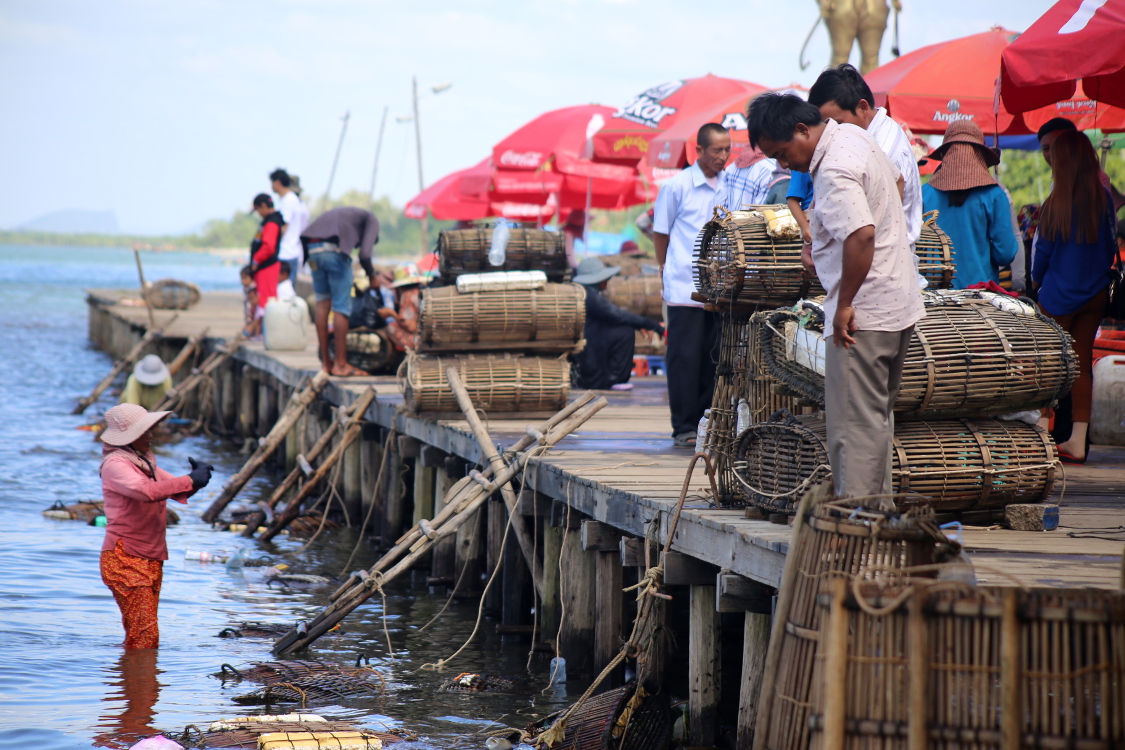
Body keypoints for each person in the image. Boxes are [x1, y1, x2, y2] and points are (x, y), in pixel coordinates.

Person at [749, 92, 924, 497]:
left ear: (801, 129)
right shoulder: (854, 136)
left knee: (853, 429)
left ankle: (858, 533)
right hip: (895, 302)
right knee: (874, 420)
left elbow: (861, 234)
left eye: (782, 152)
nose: (784, 164)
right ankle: (876, 521)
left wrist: (843, 302)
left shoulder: (833, 168)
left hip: (864, 313)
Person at [1032, 130, 1118, 464]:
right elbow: (1111, 247)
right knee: (1082, 365)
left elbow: (1042, 256)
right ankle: (1077, 441)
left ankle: (1040, 435)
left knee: (1048, 363)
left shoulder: (1057, 200)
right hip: (1095, 293)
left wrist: (1038, 284)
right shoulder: (1103, 197)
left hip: (1057, 297)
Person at [99, 403, 212, 648]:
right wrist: (190, 479)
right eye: (144, 431)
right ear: (127, 438)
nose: (151, 436)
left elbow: (174, 489)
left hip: (149, 557)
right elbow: (148, 492)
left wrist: (197, 480)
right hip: (126, 558)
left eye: (150, 429)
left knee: (142, 636)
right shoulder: (115, 465)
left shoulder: (142, 461)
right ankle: (140, 683)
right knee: (145, 638)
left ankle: (137, 682)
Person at [653, 122, 730, 446]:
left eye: (727, 149)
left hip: (720, 287)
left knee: (713, 356)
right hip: (684, 284)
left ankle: (705, 422)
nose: (723, 156)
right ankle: (683, 425)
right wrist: (664, 268)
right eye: (716, 150)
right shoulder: (676, 186)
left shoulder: (730, 184)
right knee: (684, 357)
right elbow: (661, 232)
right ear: (698, 151)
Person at [808, 64, 922, 248]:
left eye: (837, 123)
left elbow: (868, 229)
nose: (831, 131)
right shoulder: (870, 136)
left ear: (863, 108)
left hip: (880, 262)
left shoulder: (884, 149)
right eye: (825, 125)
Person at [921, 121, 1019, 287]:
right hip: (979, 297)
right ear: (980, 155)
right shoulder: (995, 195)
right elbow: (1005, 254)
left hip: (933, 296)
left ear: (945, 154)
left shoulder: (924, 194)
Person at [300, 206, 380, 376]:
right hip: (333, 252)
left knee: (322, 305)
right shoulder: (371, 219)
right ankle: (341, 365)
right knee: (341, 307)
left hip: (313, 252)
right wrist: (372, 276)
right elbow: (365, 255)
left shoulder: (350, 215)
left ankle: (326, 364)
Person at [570, 257, 665, 391]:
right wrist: (656, 327)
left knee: (622, 328)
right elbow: (617, 315)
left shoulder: (585, 294)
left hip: (587, 350)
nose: (607, 281)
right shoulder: (588, 297)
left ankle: (609, 379)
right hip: (586, 354)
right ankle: (615, 379)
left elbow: (613, 317)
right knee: (624, 333)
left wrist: (639, 325)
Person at [1038, 118, 1125, 212]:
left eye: (1059, 146)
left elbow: (1113, 216)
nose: (1053, 153)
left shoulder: (1097, 179)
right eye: (1046, 148)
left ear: (1075, 145)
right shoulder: (1056, 184)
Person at [271, 168, 311, 281]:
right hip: (294, 250)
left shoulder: (288, 201)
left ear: (278, 183)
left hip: (286, 251)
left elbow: (283, 227)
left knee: (284, 289)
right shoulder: (297, 202)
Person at [249, 193, 285, 312]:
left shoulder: (271, 222)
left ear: (263, 206)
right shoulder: (269, 221)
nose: (258, 213)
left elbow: (269, 247)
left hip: (267, 266)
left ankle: (267, 329)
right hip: (265, 267)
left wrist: (256, 260)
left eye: (258, 209)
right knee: (264, 301)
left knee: (267, 302)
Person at [720, 145, 779, 210]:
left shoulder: (732, 167)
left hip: (728, 219)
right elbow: (762, 215)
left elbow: (720, 208)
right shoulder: (772, 170)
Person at [383, 265, 424, 353]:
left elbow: (411, 327)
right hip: (428, 335)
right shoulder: (421, 292)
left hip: (419, 339)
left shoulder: (407, 296)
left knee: (390, 327)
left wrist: (391, 313)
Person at [240, 265, 261, 338]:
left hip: (254, 316)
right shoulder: (246, 289)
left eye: (245, 278)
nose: (242, 281)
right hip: (249, 316)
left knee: (248, 330)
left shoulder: (253, 289)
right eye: (242, 278)